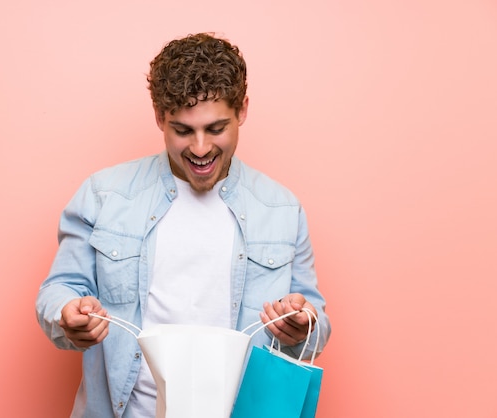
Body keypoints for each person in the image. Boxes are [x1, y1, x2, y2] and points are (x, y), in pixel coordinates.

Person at [36, 32, 331, 418]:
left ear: (242, 110)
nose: (201, 148)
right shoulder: (103, 195)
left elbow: (317, 320)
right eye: (182, 130)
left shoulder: (281, 209)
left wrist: (303, 324)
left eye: (215, 128)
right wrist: (68, 313)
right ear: (159, 117)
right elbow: (59, 289)